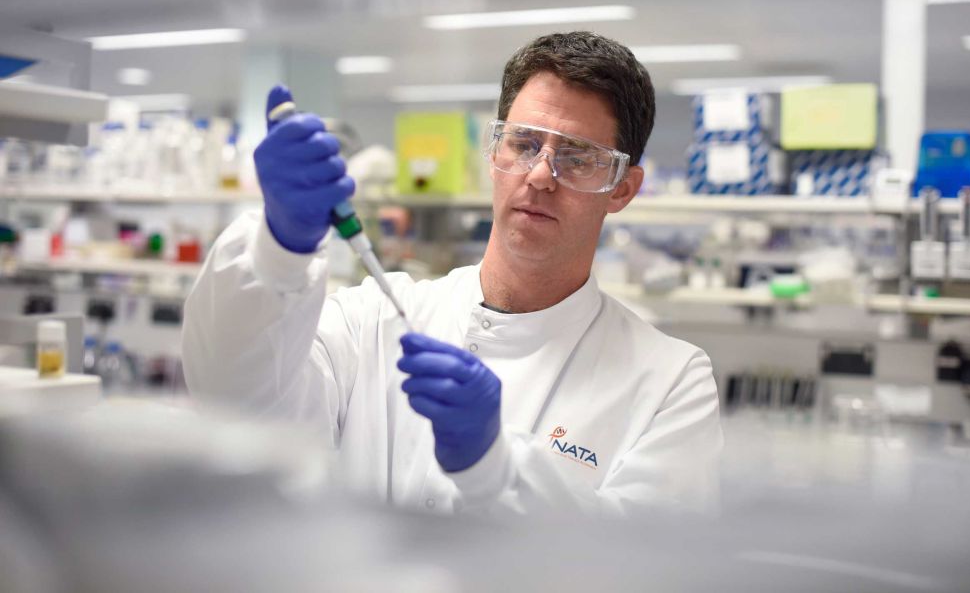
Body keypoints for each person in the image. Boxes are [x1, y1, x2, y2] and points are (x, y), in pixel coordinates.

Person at [182, 31, 723, 516]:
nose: (539, 174)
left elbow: (643, 563)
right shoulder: (373, 318)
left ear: (623, 188)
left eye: (577, 157)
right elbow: (236, 404)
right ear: (493, 153)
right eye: (524, 144)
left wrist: (496, 465)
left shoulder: (670, 381)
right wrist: (280, 246)